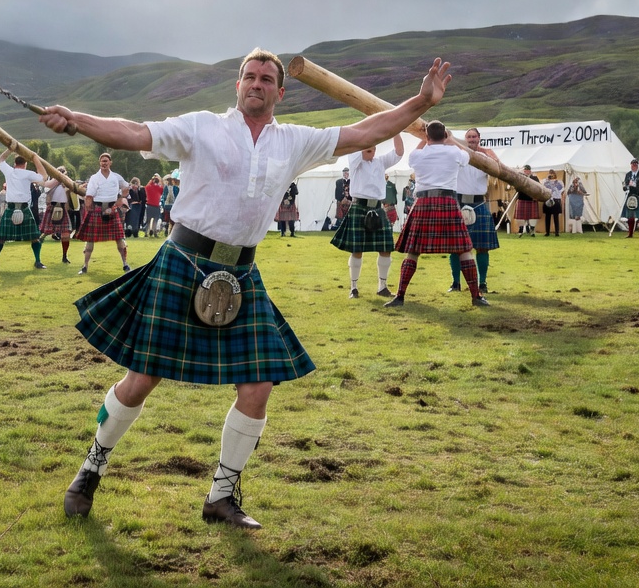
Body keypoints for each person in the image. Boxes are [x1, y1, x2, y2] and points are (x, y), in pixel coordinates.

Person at [42, 48, 453, 529]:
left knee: (258, 385)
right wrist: (77, 121)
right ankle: (90, 468)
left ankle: (221, 497)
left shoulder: (295, 141)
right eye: (249, 77)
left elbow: (367, 131)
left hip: (241, 273)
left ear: (280, 91)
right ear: (237, 86)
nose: (256, 84)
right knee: (141, 379)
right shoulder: (201, 127)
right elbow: (136, 132)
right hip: (182, 261)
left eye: (266, 79)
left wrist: (422, 102)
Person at [388, 124, 488, 309]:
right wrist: (450, 140)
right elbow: (467, 156)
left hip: (423, 203)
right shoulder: (454, 153)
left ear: (427, 136)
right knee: (465, 250)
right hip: (448, 202)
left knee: (413, 251)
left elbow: (414, 155)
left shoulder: (418, 155)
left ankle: (400, 296)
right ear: (445, 135)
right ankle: (476, 296)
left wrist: (423, 137)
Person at [333, 136, 404, 298]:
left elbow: (399, 153)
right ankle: (353, 288)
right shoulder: (355, 160)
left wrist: (396, 132)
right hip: (359, 206)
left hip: (378, 208)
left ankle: (382, 287)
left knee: (386, 249)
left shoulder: (380, 162)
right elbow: (362, 150)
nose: (370, 148)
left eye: (373, 146)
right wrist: (365, 142)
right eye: (367, 146)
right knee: (357, 250)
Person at [450, 128, 502, 293]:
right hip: (459, 203)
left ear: (479, 138)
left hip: (479, 204)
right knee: (456, 246)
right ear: (465, 139)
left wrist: (486, 151)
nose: (471, 139)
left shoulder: (486, 156)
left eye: (474, 136)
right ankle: (456, 283)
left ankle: (483, 283)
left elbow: (497, 166)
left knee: (482, 247)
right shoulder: (458, 155)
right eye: (468, 137)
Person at [0, 149, 48, 269]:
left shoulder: (9, 171)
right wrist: (35, 158)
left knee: (1, 238)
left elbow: (0, 160)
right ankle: (38, 262)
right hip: (24, 208)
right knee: (34, 238)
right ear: (25, 163)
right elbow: (44, 177)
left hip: (11, 207)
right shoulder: (28, 173)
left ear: (14, 163)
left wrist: (9, 150)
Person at [76, 153, 131, 275]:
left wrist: (119, 201)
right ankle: (85, 266)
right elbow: (89, 196)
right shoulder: (95, 178)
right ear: (99, 163)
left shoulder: (116, 177)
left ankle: (125, 264)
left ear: (110, 162)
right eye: (102, 161)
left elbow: (126, 188)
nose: (104, 163)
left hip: (112, 208)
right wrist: (89, 207)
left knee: (119, 238)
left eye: (106, 161)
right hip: (97, 208)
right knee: (90, 240)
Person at [40, 167, 76, 263]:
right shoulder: (51, 182)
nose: (65, 176)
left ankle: (64, 257)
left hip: (63, 208)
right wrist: (59, 180)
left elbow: (75, 188)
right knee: (45, 232)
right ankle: (37, 255)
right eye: (63, 174)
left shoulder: (66, 183)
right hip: (52, 207)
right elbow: (46, 187)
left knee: (66, 234)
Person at [621, 159, 639, 237]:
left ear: (637, 165)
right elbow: (625, 185)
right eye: (632, 164)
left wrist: (636, 187)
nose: (634, 166)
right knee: (630, 217)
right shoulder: (628, 175)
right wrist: (626, 187)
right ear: (631, 165)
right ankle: (630, 234)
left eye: (635, 164)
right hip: (630, 197)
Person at [512, 165, 540, 236]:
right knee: (520, 217)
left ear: (530, 171)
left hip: (532, 199)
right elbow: (516, 187)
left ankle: (532, 230)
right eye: (525, 170)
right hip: (522, 198)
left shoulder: (534, 178)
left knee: (532, 217)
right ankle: (520, 230)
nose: (526, 171)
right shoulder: (520, 177)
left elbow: (538, 187)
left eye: (527, 170)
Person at [541, 171, 564, 236]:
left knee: (556, 217)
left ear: (555, 174)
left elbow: (561, 189)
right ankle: (547, 232)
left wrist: (555, 184)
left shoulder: (559, 182)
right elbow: (542, 187)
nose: (551, 175)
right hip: (548, 200)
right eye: (550, 174)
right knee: (547, 217)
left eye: (552, 174)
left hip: (556, 199)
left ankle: (557, 232)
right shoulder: (545, 182)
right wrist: (547, 179)